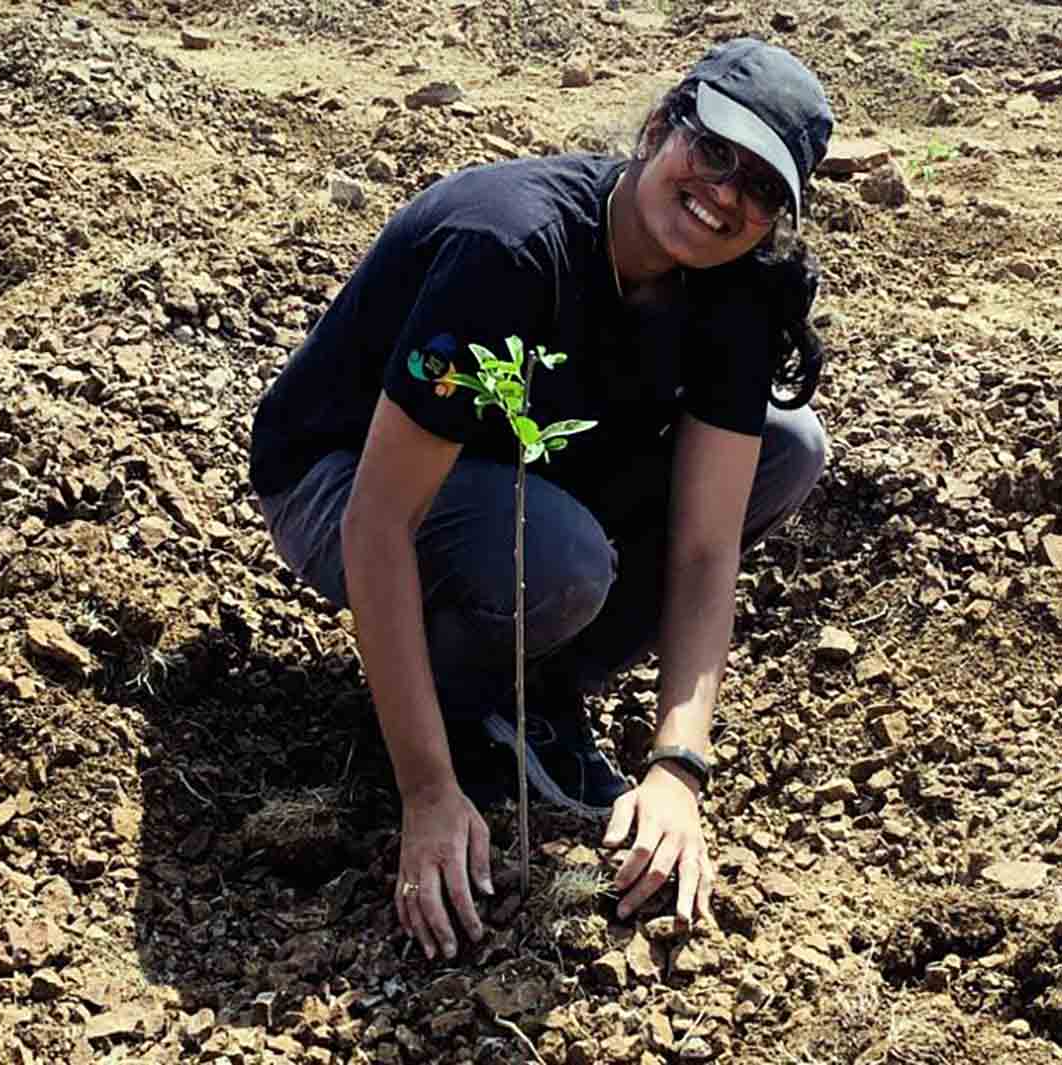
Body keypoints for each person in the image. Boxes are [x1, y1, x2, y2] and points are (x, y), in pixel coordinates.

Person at [250, 37, 834, 963]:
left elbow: (704, 547)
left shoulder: (733, 291)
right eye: (714, 151)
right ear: (660, 126)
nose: (725, 195)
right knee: (562, 559)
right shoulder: (510, 251)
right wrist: (427, 790)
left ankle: (533, 695)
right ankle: (453, 715)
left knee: (788, 447)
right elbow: (379, 517)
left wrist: (678, 768)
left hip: (510, 473)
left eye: (761, 188)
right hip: (338, 474)